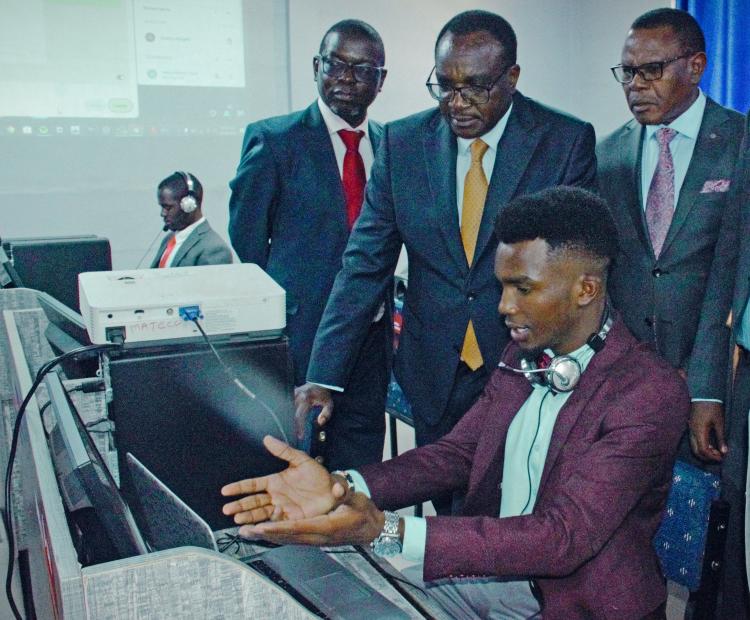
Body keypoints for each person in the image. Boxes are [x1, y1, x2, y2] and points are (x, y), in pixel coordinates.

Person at [222, 187, 689, 619]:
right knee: (326, 585)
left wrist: (385, 531)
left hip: (572, 604)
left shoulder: (648, 392)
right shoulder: (522, 355)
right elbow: (457, 454)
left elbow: (561, 536)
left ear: (585, 289)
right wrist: (344, 486)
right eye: (501, 287)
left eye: (522, 288)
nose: (504, 306)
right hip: (489, 577)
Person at [295, 11, 596, 512]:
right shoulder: (403, 144)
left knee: (517, 512)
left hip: (528, 366)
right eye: (445, 85)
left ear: (512, 78)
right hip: (436, 368)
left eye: (475, 87)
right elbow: (364, 266)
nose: (456, 103)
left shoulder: (562, 142)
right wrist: (324, 375)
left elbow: (578, 268)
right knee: (448, 508)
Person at [227, 20, 389, 470]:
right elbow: (248, 240)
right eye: (335, 65)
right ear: (316, 67)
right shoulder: (276, 140)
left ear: (381, 80)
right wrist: (297, 296)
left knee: (361, 462)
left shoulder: (392, 145)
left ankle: (354, 540)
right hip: (303, 336)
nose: (347, 79)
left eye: (362, 69)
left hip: (371, 340)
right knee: (297, 459)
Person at [596, 8, 744, 472]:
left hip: (715, 383)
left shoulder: (740, 143)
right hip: (627, 385)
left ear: (696, 66)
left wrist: (705, 387)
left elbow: (733, 277)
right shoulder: (608, 153)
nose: (635, 85)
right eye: (628, 72)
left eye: (652, 70)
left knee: (706, 526)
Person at [151, 171, 232, 268]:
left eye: (168, 207)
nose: (162, 213)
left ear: (189, 205)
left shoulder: (214, 250)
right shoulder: (169, 239)